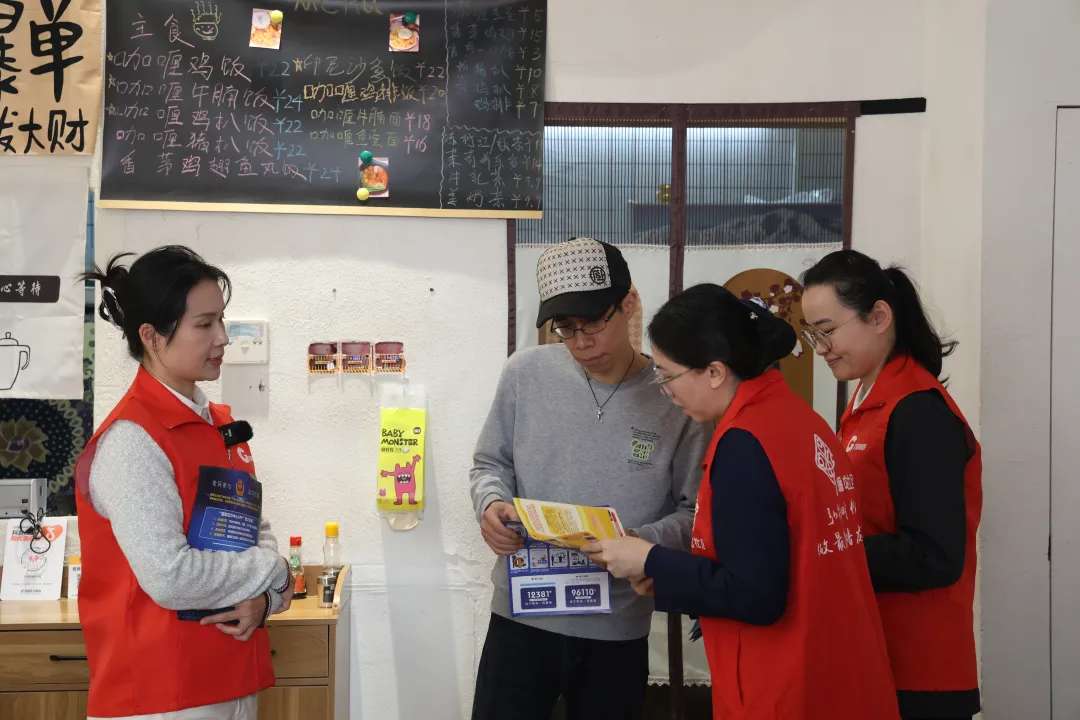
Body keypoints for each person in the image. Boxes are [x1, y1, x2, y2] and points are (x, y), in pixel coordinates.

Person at [586, 283, 899, 720]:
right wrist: (668, 576)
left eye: (667, 376)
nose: (665, 392)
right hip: (836, 670)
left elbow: (756, 595)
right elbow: (772, 558)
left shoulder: (744, 443)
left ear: (715, 372)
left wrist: (650, 559)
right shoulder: (797, 418)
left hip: (784, 684)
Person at [468, 237, 708, 720]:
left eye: (594, 322)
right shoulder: (525, 373)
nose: (581, 342)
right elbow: (489, 463)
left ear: (628, 303)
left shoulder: (675, 397)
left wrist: (637, 542)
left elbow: (694, 511)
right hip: (522, 613)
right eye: (565, 328)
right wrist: (490, 504)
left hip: (616, 625)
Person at [75, 246, 293, 720]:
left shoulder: (217, 425)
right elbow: (170, 576)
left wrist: (266, 598)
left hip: (230, 677)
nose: (223, 338)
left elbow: (253, 530)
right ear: (151, 336)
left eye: (222, 320)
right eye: (204, 324)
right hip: (160, 694)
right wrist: (275, 572)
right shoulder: (132, 439)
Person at [800, 249, 982, 720]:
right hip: (875, 651)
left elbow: (935, 555)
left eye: (827, 330)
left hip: (920, 670)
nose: (821, 347)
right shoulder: (865, 403)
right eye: (812, 334)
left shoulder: (918, 411)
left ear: (879, 317)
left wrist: (822, 552)